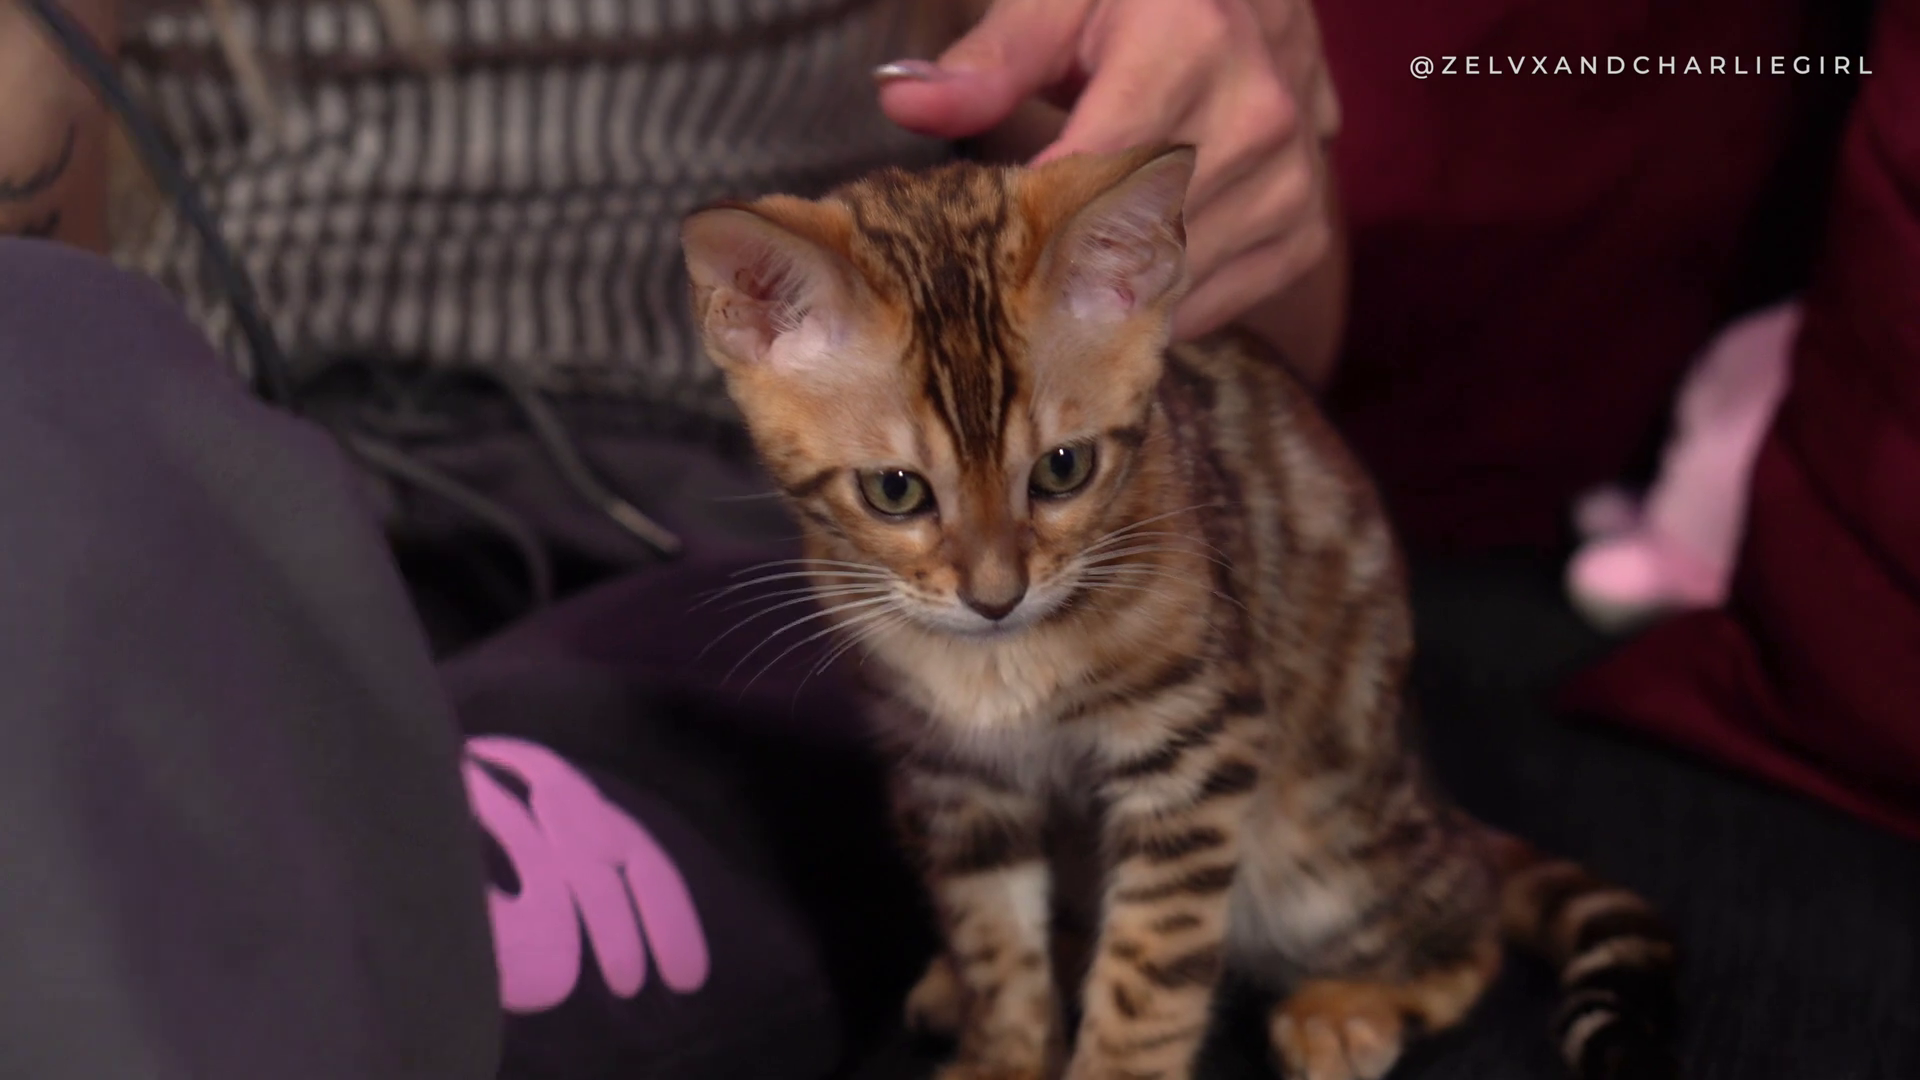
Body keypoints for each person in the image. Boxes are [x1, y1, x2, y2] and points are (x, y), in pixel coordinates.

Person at [0, 1, 1347, 1078]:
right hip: (207, 476)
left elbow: (1264, 345)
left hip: (707, 530)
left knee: (301, 937)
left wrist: (1206, 127)